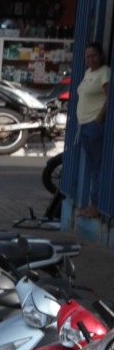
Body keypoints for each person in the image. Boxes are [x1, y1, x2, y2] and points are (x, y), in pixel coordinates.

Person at [74, 42, 108, 219]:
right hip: (84, 125)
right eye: (87, 56)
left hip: (94, 126)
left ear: (100, 56)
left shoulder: (105, 72)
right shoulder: (88, 73)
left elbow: (109, 97)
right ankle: (92, 204)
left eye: (94, 55)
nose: (90, 59)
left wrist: (98, 120)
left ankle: (96, 205)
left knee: (98, 167)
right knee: (93, 166)